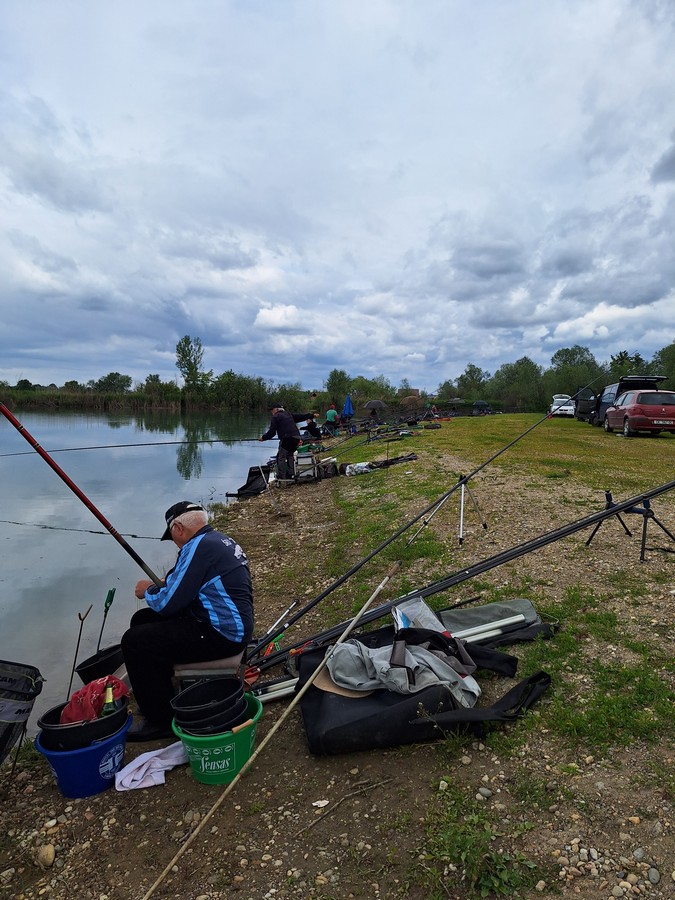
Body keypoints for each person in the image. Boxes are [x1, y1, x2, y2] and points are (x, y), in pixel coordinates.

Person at [121, 501, 253, 741]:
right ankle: (159, 694)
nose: (175, 543)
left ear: (178, 528)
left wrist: (147, 590)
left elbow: (169, 603)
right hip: (230, 626)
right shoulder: (216, 540)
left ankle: (160, 721)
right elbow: (183, 581)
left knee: (134, 641)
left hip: (221, 634)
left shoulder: (197, 547)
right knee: (142, 619)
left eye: (171, 536)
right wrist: (166, 583)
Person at [258, 401, 312, 480]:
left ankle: (282, 477)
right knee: (290, 455)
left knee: (281, 457)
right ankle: (291, 475)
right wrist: (311, 415)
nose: (271, 412)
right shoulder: (288, 414)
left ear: (276, 409)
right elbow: (300, 416)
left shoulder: (275, 417)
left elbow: (272, 432)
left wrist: (263, 438)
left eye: (272, 410)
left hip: (287, 438)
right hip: (297, 437)